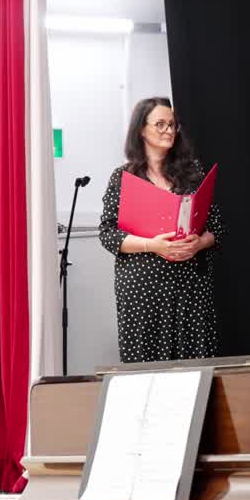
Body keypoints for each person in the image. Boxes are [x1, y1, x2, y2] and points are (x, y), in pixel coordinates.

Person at [98, 97, 224, 364]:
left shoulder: (193, 173)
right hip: (144, 289)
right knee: (149, 373)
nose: (169, 130)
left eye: (172, 125)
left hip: (191, 288)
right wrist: (153, 245)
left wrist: (198, 243)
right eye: (160, 124)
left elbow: (217, 228)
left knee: (197, 368)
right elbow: (108, 234)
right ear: (141, 130)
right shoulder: (123, 177)